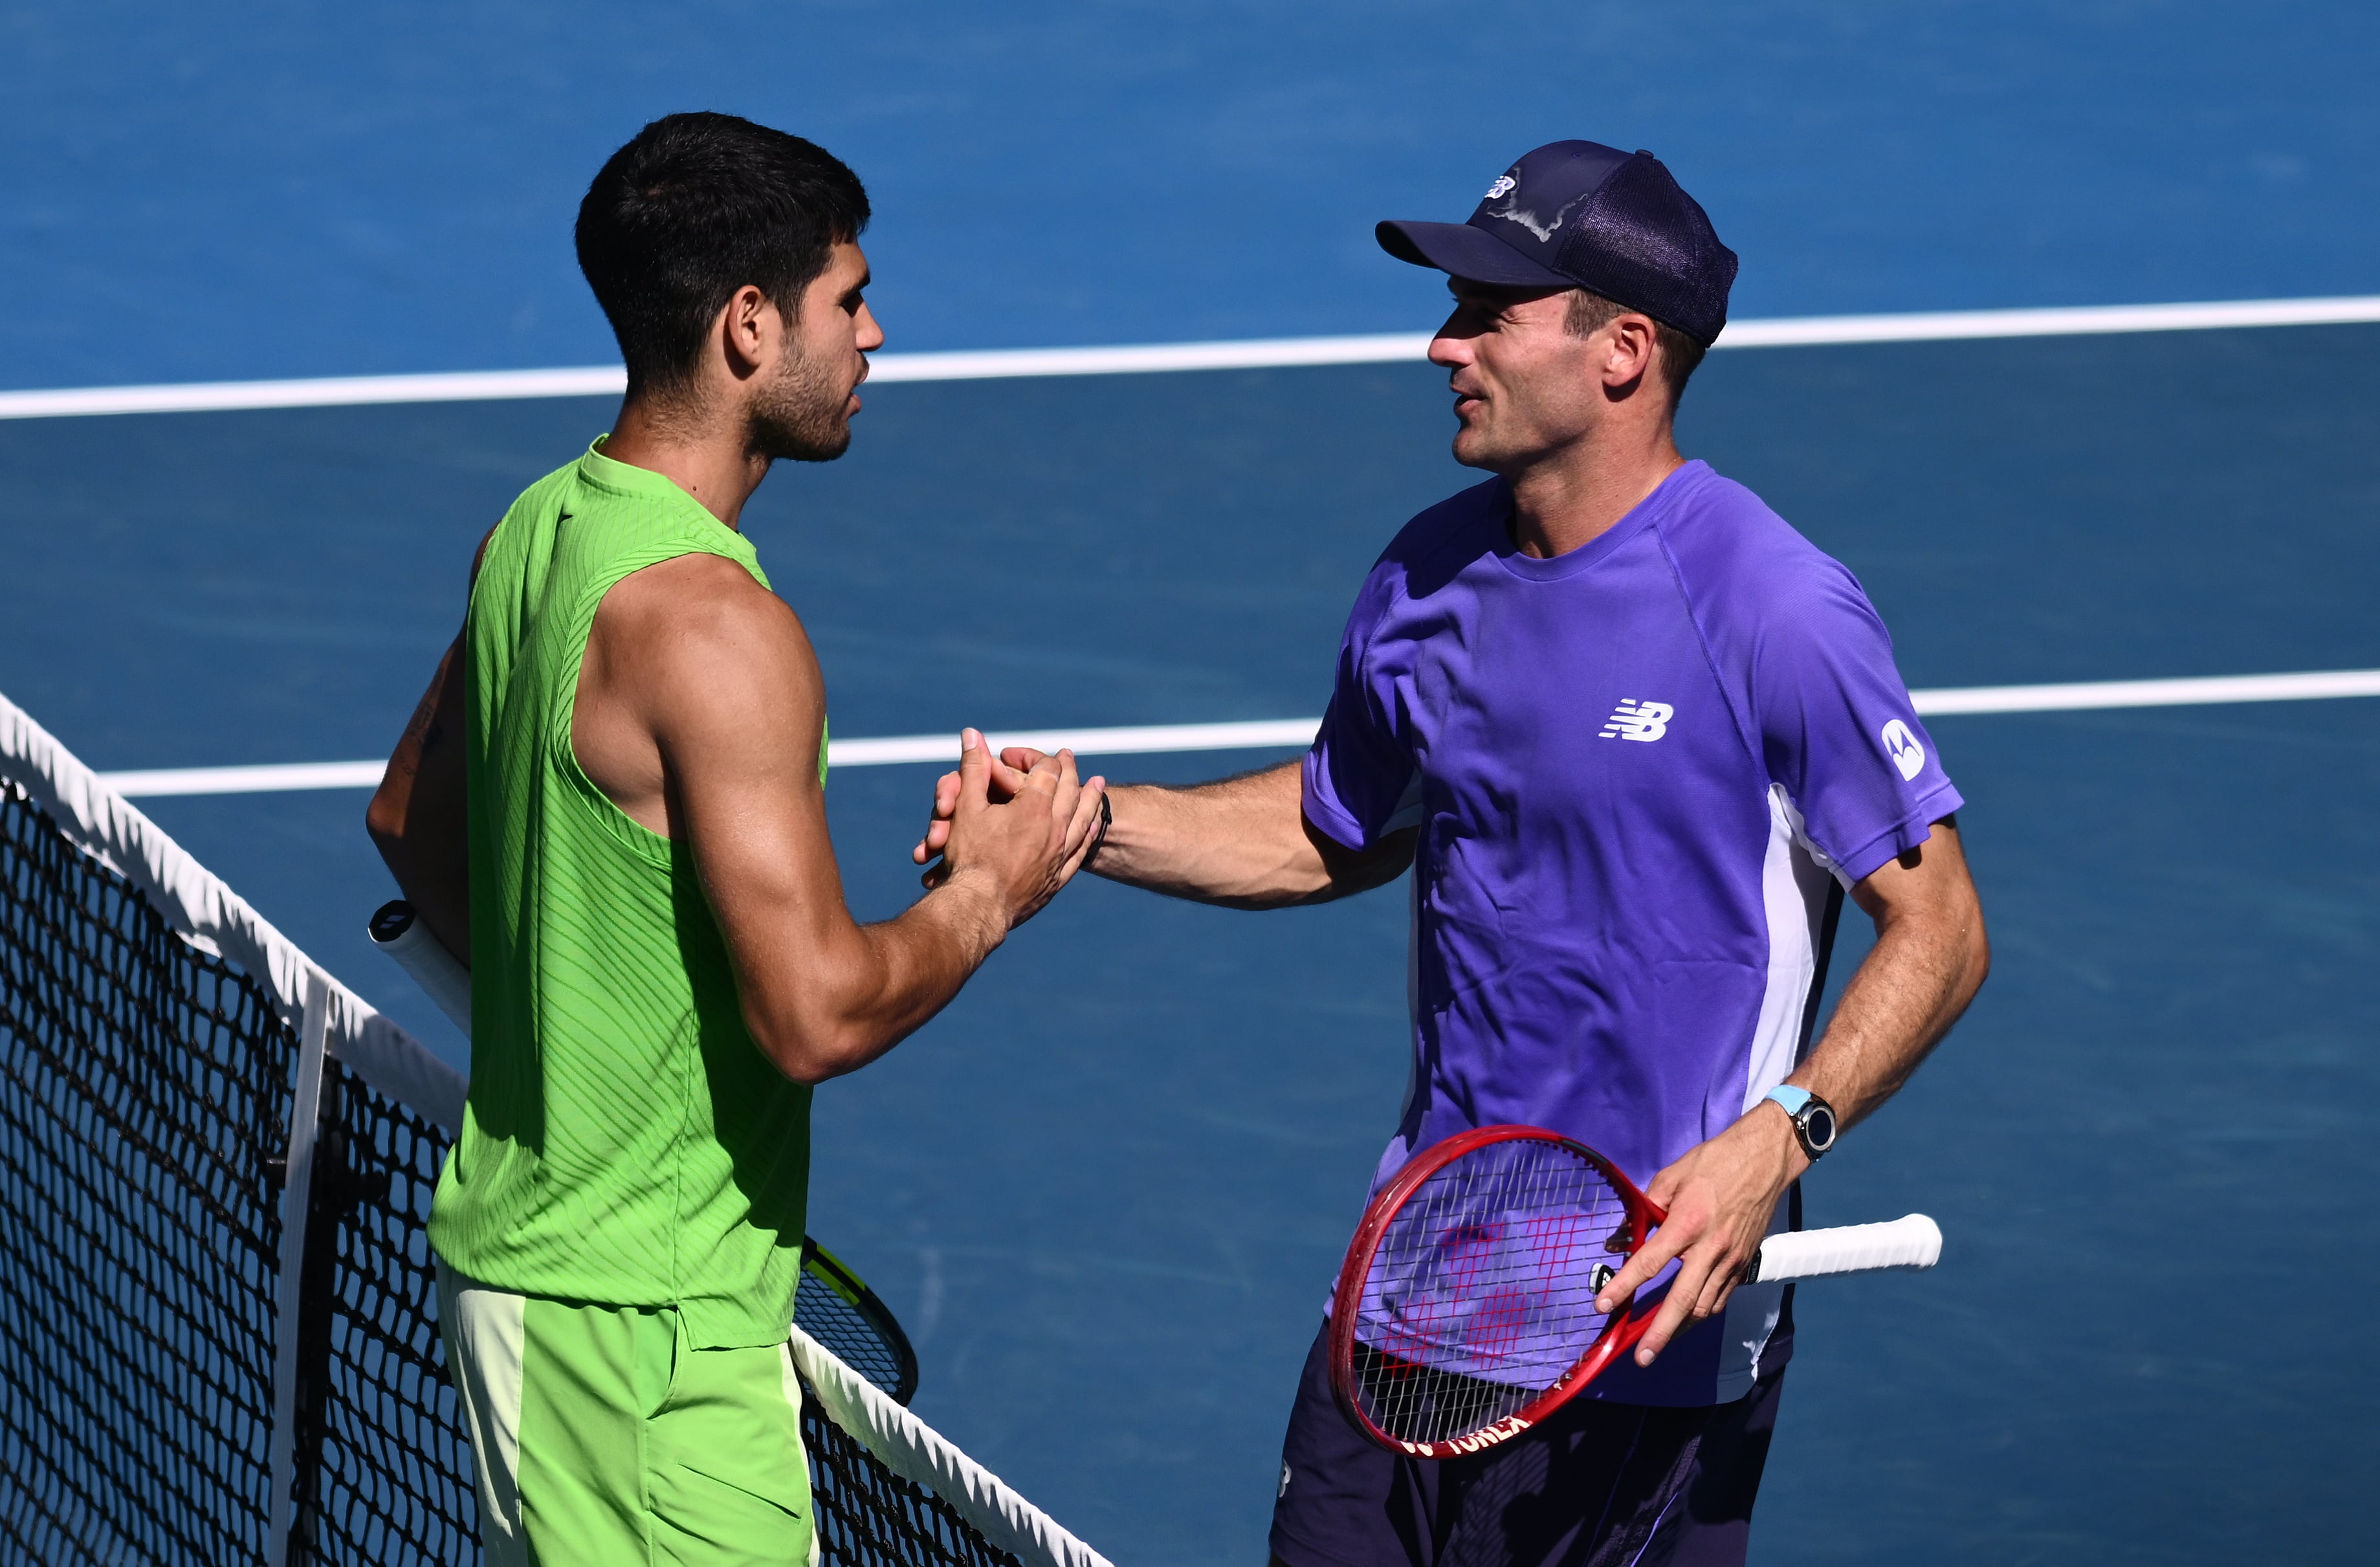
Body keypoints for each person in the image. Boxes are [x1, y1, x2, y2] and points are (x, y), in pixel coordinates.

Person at [915, 140, 1989, 1566]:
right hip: (1412, 1295)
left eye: (1490, 309)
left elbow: (1944, 929)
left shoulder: (1775, 608)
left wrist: (1774, 1137)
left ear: (1623, 349)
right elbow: (1332, 822)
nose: (1443, 342)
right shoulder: (1424, 577)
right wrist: (1081, 820)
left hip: (1640, 1329)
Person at [366, 112, 1106, 1567]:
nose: (874, 333)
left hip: (548, 1301)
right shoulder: (719, 629)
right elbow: (815, 1010)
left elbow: (410, 824)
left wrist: (578, 1025)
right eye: (848, 297)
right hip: (648, 1352)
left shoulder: (535, 531)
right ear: (750, 326)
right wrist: (988, 893)